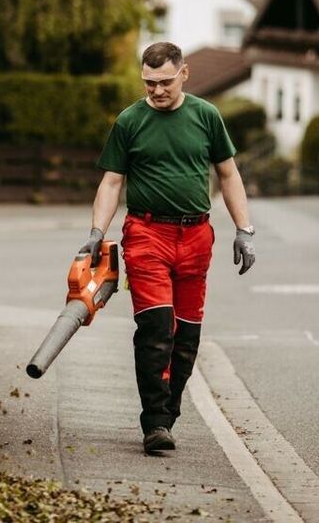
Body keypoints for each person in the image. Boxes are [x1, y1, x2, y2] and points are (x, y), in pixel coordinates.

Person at [79, 41, 255, 455]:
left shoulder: (206, 116)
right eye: (149, 83)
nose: (156, 90)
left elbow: (228, 175)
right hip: (147, 234)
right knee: (157, 330)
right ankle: (155, 423)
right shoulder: (130, 121)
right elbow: (112, 182)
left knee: (186, 338)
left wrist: (244, 229)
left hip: (196, 237)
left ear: (184, 74)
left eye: (164, 82)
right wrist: (95, 230)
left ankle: (168, 412)